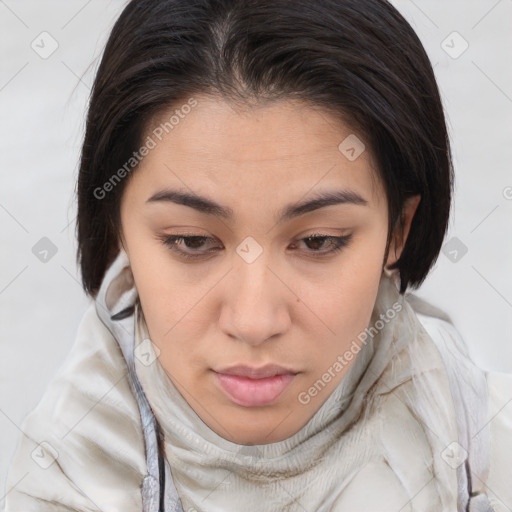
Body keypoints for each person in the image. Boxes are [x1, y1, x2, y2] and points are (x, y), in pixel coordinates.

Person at [4, 0, 512, 511]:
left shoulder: (492, 456)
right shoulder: (57, 482)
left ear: (397, 233)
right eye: (191, 240)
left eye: (318, 241)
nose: (253, 321)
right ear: (119, 232)